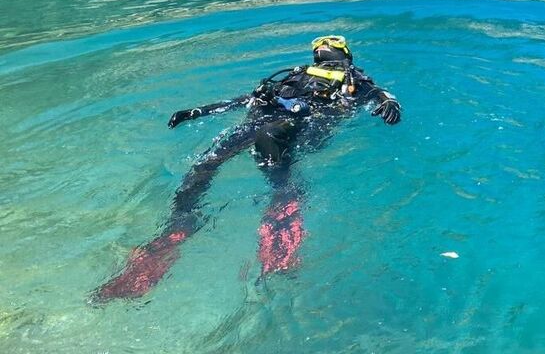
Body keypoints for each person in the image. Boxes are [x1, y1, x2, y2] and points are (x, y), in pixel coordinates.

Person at [94, 36, 403, 301]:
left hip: (281, 126)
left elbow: (375, 94)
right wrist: (198, 111)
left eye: (329, 44)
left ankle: (182, 225)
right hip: (272, 124)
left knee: (211, 164)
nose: (324, 48)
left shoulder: (349, 78)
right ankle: (181, 226)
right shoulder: (298, 77)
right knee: (213, 164)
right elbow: (249, 99)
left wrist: (388, 102)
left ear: (340, 53)